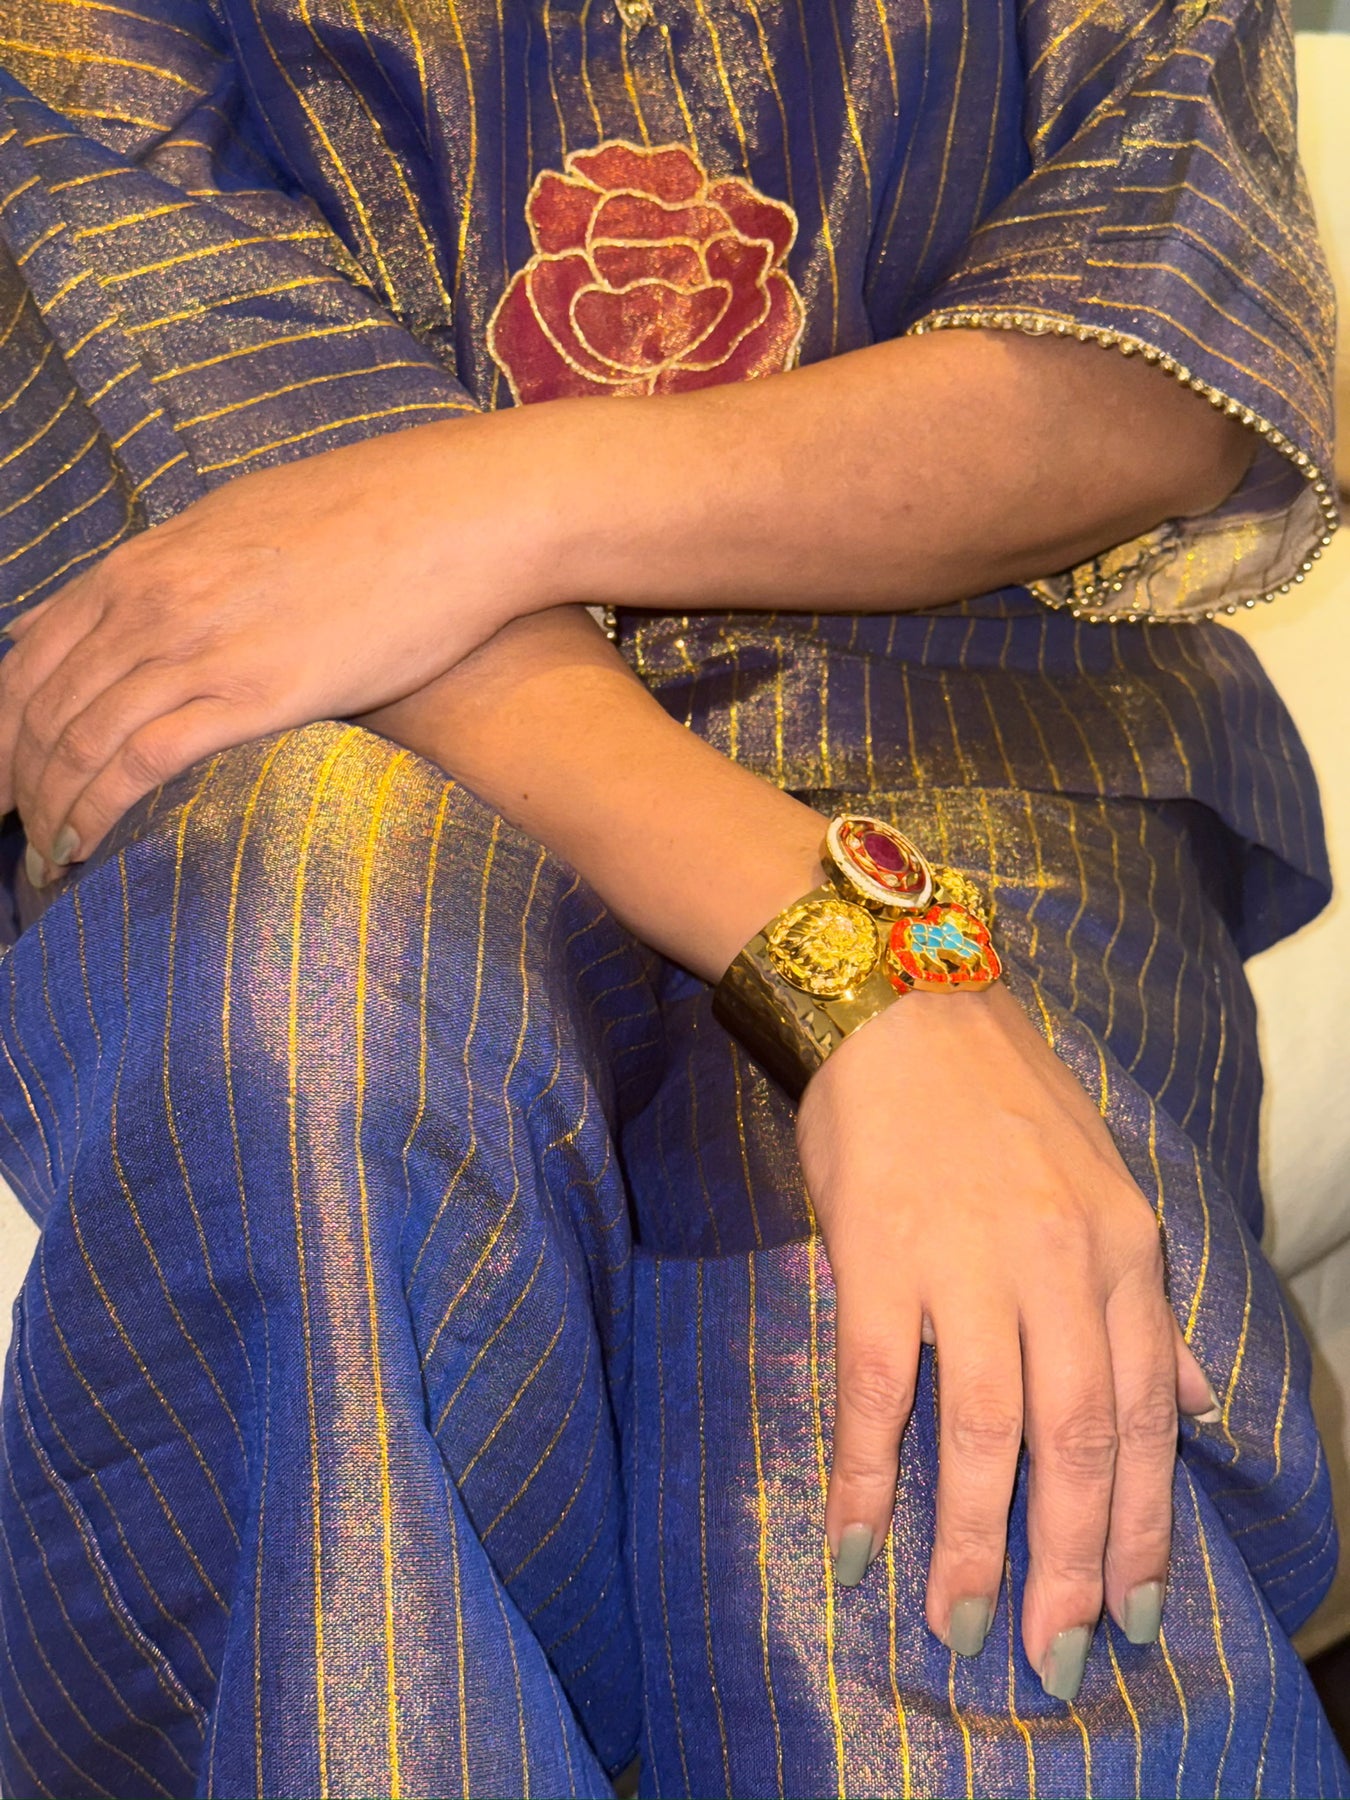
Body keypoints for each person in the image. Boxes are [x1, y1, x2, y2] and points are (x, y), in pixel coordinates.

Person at [0, 0, 1344, 1794]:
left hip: (975, 714)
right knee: (295, 1024)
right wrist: (871, 975)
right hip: (337, 741)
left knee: (927, 1375)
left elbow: (1157, 360)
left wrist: (474, 510)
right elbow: (222, 498)